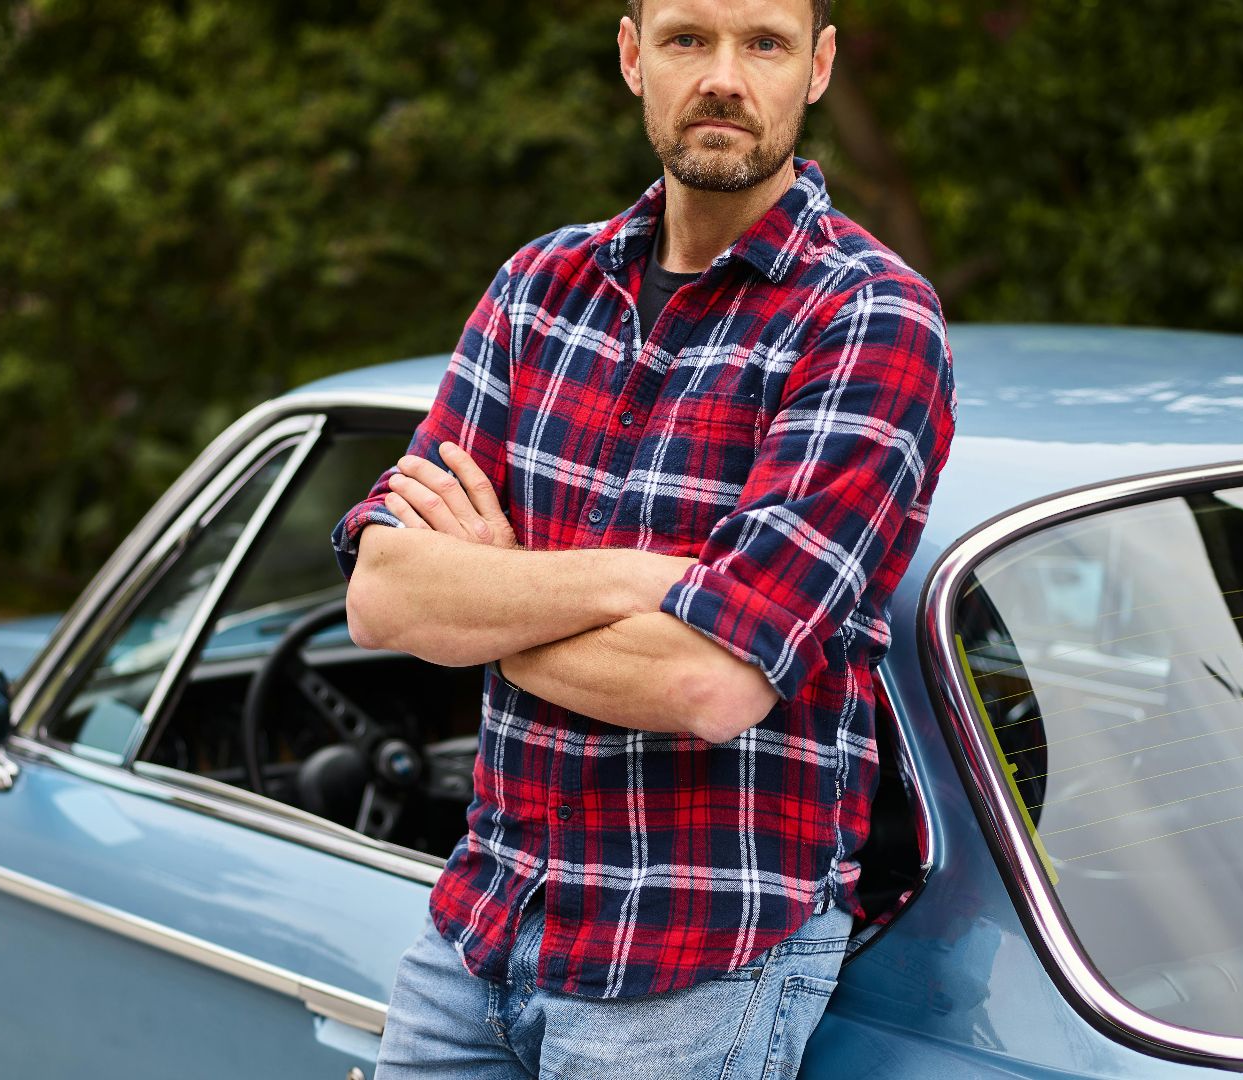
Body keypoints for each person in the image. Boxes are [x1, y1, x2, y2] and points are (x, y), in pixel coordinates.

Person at [329, 0, 957, 1074]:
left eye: (763, 43)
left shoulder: (869, 319)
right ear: (632, 57)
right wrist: (644, 581)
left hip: (693, 961)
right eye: (686, 40)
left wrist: (486, 596)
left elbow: (708, 686)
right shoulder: (539, 289)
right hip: (483, 921)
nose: (724, 76)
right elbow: (384, 596)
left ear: (817, 68)